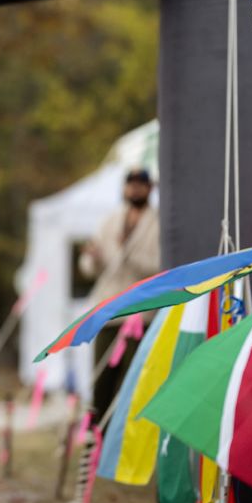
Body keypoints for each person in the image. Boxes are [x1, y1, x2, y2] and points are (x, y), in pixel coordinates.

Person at [78, 167, 160, 423]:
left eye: (140, 184)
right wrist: (93, 258)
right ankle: (97, 434)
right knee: (103, 377)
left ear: (150, 188)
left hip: (140, 312)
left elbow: (159, 266)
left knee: (133, 377)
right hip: (110, 310)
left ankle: (128, 433)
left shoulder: (158, 222)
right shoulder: (110, 220)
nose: (135, 189)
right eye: (131, 184)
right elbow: (88, 268)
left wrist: (129, 253)